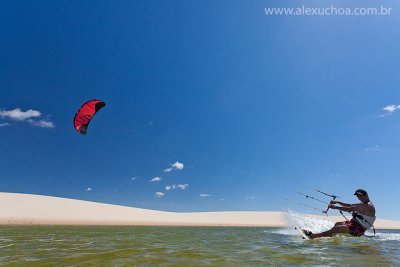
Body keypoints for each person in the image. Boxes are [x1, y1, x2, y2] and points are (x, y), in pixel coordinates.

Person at [303, 189, 376, 239]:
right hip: (354, 223)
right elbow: (350, 205)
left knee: (336, 228)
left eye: (360, 196)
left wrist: (334, 207)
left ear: (366, 195)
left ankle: (313, 236)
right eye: (358, 197)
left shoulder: (368, 206)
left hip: (358, 229)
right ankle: (329, 236)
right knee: (337, 224)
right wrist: (337, 202)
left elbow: (349, 209)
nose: (359, 198)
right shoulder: (363, 203)